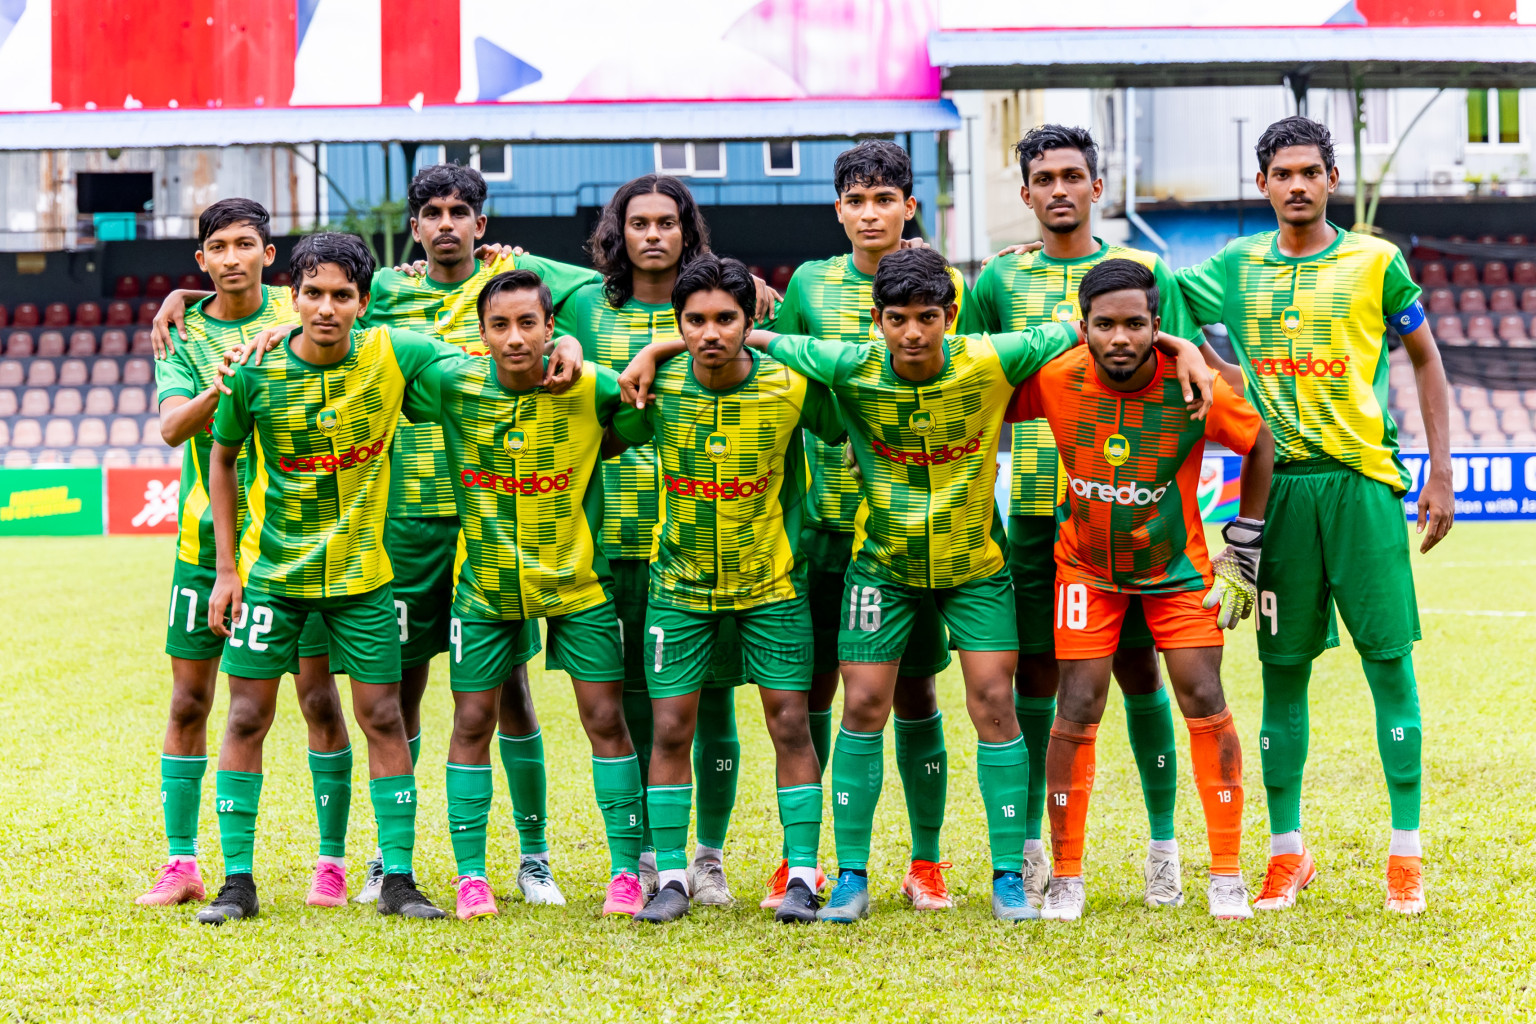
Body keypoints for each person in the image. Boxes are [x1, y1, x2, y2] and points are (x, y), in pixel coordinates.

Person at [622, 247, 1212, 922]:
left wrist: (1181, 346)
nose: (911, 333)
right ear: (875, 321)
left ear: (949, 316)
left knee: (995, 703)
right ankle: (848, 877)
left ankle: (1007, 878)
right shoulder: (848, 364)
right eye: (897, 319)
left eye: (927, 317)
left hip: (974, 569)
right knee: (864, 706)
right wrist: (662, 346)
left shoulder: (991, 358)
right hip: (883, 571)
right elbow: (739, 338)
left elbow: (1094, 326)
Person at [1176, 115, 1455, 915]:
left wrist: (1439, 471)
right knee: (1281, 671)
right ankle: (1286, 854)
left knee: (1388, 663)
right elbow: (1148, 300)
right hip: (1279, 488)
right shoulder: (1232, 266)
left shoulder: (1376, 261)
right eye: (1281, 172)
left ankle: (1406, 854)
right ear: (1261, 184)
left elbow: (1426, 359)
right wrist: (1204, 355)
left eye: (1310, 171)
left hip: (1363, 484)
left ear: (1330, 179)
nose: (1296, 184)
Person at [970, 124, 1218, 909]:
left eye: (1073, 174)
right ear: (1025, 194)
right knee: (1040, 676)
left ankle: (1162, 846)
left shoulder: (1144, 271)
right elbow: (983, 384)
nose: (1059, 189)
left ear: (1096, 186)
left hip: (1136, 524)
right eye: (1044, 177)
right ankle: (1040, 849)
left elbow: (1181, 364)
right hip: (1040, 515)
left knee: (1144, 672)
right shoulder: (999, 281)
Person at [351, 164, 599, 904]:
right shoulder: (385, 292)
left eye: (462, 211)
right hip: (402, 517)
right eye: (433, 212)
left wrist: (573, 337)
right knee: (398, 692)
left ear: (482, 225)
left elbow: (596, 282)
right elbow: (307, 306)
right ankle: (388, 854)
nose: (447, 224)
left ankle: (534, 855)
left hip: (491, 518)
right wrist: (185, 296)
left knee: (508, 693)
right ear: (416, 224)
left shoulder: (513, 278)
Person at [197, 232, 463, 923]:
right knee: (248, 715)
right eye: (312, 293)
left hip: (363, 581)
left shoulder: (392, 353)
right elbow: (222, 460)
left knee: (382, 716)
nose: (326, 307)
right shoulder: (254, 371)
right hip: (272, 578)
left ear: (363, 303)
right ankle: (237, 883)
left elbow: (478, 359)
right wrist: (226, 570)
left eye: (341, 295)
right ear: (292, 298)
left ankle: (398, 879)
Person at [1003, 258, 1273, 922]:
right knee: (1079, 703)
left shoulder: (1192, 386)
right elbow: (980, 393)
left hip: (1176, 573)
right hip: (1086, 572)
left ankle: (1228, 874)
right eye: (1104, 325)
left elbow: (1259, 442)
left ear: (1158, 326)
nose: (1119, 338)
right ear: (1083, 326)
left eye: (1134, 324)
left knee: (1203, 693)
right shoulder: (1055, 377)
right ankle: (1066, 874)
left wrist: (1245, 544)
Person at [400, 269, 645, 920]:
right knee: (472, 721)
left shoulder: (589, 387)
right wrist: (287, 323)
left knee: (604, 720)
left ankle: (624, 872)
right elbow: (371, 344)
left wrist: (588, 357)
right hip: (483, 587)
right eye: (500, 325)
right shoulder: (452, 382)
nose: (514, 338)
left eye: (528, 324)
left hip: (578, 583)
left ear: (550, 329)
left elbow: (639, 416)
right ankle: (472, 877)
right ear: (480, 334)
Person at [763, 139, 962, 911]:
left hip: (916, 527)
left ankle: (927, 861)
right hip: (825, 525)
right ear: (838, 209)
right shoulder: (810, 283)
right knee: (812, 691)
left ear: (909, 206)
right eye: (857, 199)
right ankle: (803, 858)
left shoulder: (945, 282)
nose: (871, 212)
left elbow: (967, 372)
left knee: (912, 693)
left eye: (886, 198)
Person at [610, 254, 838, 925]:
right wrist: (651, 354)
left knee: (790, 723)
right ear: (678, 323)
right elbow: (603, 425)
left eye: (726, 318)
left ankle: (803, 874)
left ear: (748, 321)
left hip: (772, 587)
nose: (711, 332)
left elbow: (847, 403)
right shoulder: (657, 389)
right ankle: (674, 878)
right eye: (695, 320)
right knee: (672, 728)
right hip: (677, 589)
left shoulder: (791, 385)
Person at [141, 198, 350, 909]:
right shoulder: (182, 331)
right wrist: (224, 382)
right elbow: (172, 428)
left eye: (246, 245)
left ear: (270, 255)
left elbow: (369, 315)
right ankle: (182, 862)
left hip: (299, 543)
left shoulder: (307, 306)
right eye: (217, 248)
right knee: (190, 699)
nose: (231, 258)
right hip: (206, 546)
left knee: (318, 699)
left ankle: (332, 862)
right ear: (201, 260)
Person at [556, 175, 755, 905]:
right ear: (619, 230)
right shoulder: (585, 305)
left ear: (686, 228)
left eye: (667, 222)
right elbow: (503, 270)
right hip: (610, 536)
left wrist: (663, 346)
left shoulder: (721, 300)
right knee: (636, 700)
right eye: (638, 222)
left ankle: (708, 855)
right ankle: (645, 850)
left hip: (709, 535)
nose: (652, 235)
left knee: (715, 702)